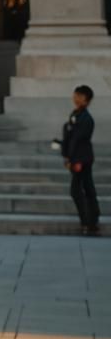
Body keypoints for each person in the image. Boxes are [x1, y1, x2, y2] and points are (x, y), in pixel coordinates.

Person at [60, 84, 100, 236]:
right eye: (75, 94)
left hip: (82, 159)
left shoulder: (86, 119)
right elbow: (69, 136)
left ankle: (88, 221)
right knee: (87, 188)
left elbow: (78, 140)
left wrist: (72, 159)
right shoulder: (76, 114)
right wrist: (66, 154)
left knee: (77, 190)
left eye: (80, 96)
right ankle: (91, 220)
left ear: (87, 100)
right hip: (79, 158)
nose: (76, 98)